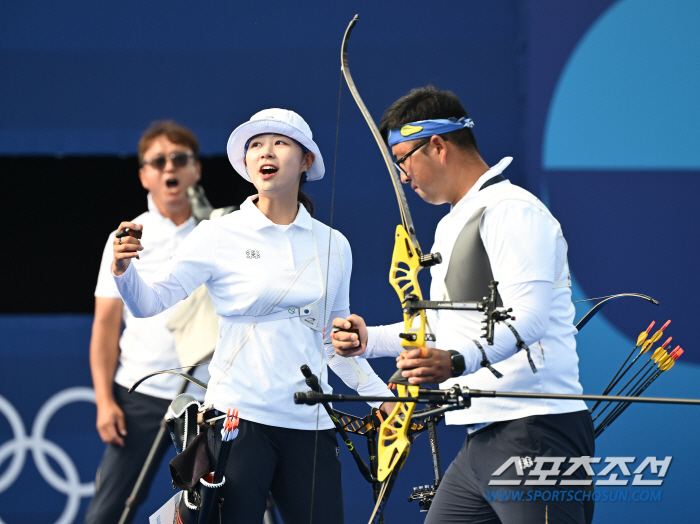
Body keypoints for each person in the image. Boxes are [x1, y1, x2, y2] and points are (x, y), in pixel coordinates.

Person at [110, 108, 394, 524]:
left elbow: (335, 343)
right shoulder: (217, 233)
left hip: (311, 425)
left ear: (307, 160)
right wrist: (124, 271)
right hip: (237, 422)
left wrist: (381, 399)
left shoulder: (335, 245)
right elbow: (148, 303)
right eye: (256, 145)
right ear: (246, 164)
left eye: (280, 143)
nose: (267, 151)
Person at [332, 86, 595, 524]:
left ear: (437, 146)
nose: (402, 175)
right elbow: (442, 329)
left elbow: (526, 318)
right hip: (482, 437)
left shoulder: (513, 211)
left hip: (535, 430)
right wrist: (368, 340)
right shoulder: (456, 222)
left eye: (403, 159)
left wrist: (454, 361)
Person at [87, 120, 211, 523]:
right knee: (111, 508)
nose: (169, 168)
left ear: (196, 169)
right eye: (158, 161)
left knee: (222, 503)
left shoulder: (220, 232)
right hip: (139, 393)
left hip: (207, 394)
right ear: (144, 175)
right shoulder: (124, 238)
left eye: (179, 158)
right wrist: (105, 401)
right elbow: (106, 324)